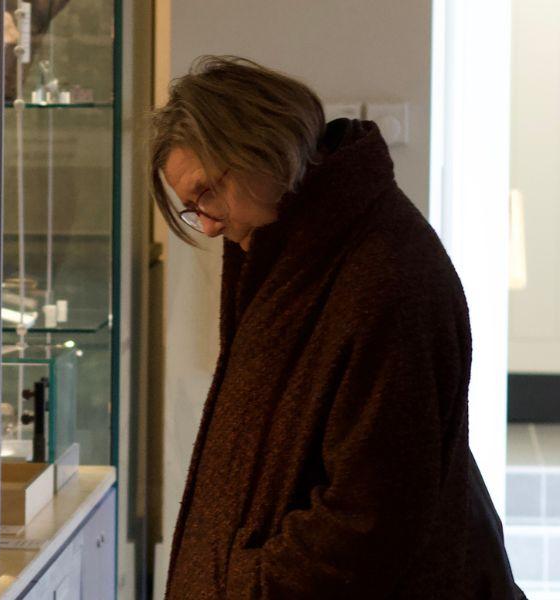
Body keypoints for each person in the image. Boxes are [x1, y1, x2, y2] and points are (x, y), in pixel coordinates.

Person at [152, 56, 523, 599]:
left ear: (261, 147)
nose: (207, 225)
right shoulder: (289, 256)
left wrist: (246, 584)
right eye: (191, 208)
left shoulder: (386, 277)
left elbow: (370, 515)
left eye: (207, 192)